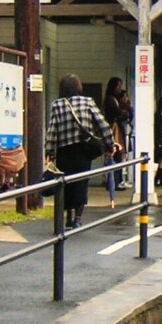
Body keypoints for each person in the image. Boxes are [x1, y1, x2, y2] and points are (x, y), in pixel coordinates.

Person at [46, 74, 115, 229]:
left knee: (66, 183)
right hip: (83, 150)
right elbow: (103, 124)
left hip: (64, 150)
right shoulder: (87, 102)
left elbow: (52, 131)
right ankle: (78, 218)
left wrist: (50, 152)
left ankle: (68, 216)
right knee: (81, 183)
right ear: (78, 87)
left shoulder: (57, 105)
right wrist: (109, 144)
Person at [103, 77, 128, 191]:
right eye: (118, 86)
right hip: (113, 130)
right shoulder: (110, 100)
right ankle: (113, 181)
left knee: (116, 155)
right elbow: (118, 113)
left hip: (116, 130)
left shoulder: (115, 99)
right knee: (114, 154)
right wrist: (123, 111)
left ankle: (116, 181)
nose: (120, 89)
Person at [154, 99, 162, 188]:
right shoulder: (158, 116)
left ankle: (158, 179)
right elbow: (159, 129)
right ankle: (160, 179)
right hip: (160, 140)